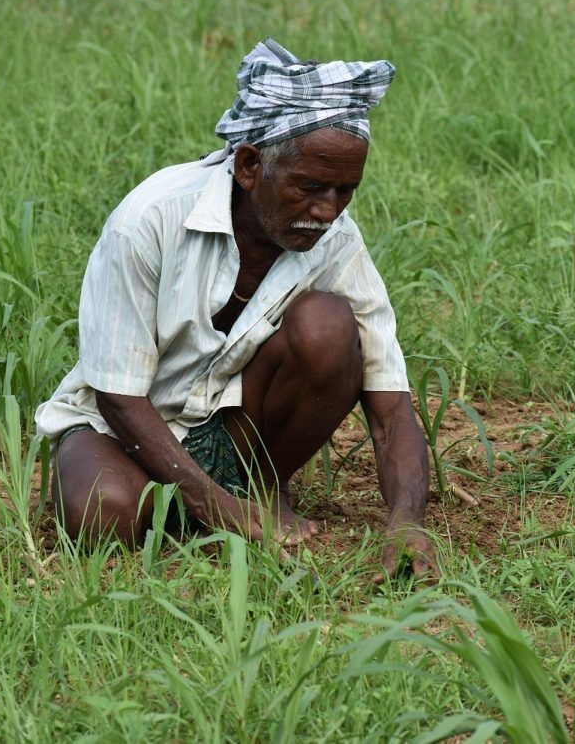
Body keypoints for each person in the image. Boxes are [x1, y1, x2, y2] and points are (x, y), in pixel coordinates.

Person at [36, 37, 439, 581]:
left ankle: (261, 490)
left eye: (345, 191)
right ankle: (213, 506)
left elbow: (391, 409)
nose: (327, 210)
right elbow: (117, 394)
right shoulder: (152, 219)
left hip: (234, 431)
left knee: (328, 325)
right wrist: (212, 504)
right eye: (310, 186)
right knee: (103, 513)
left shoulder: (336, 241)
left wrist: (407, 521)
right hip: (122, 429)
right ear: (249, 166)